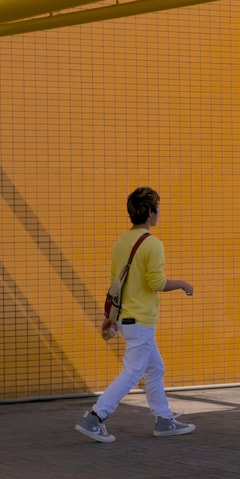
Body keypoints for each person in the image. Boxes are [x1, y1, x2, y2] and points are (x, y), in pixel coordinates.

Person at [76, 187, 196, 443]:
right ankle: (95, 417)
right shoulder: (152, 244)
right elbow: (157, 283)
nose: (159, 212)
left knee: (155, 368)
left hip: (126, 319)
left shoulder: (121, 242)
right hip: (140, 321)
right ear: (151, 211)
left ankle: (164, 420)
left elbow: (115, 283)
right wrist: (183, 284)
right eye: (158, 207)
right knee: (132, 372)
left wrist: (111, 316)